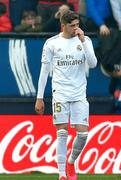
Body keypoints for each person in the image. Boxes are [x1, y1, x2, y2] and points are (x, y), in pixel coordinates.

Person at [34, 11, 97, 180]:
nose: (76, 28)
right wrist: (39, 97)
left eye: (77, 25)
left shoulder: (85, 40)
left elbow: (93, 64)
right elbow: (44, 71)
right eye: (72, 26)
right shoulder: (52, 43)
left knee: (83, 134)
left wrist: (83, 41)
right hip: (60, 93)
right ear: (63, 26)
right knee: (62, 133)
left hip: (79, 94)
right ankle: (62, 174)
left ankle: (71, 162)